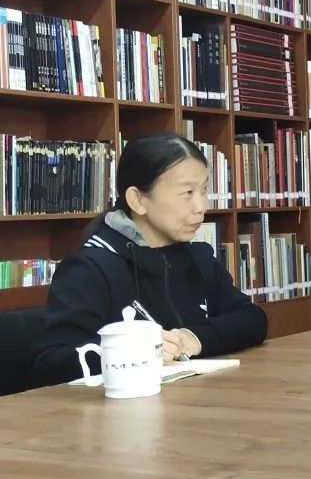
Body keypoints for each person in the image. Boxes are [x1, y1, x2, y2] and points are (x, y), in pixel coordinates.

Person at [33, 132, 267, 387]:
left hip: (194, 400)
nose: (201, 206)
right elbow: (53, 362)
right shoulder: (88, 268)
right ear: (138, 200)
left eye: (203, 190)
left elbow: (252, 319)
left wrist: (192, 338)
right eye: (187, 192)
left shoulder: (197, 257)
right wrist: (134, 353)